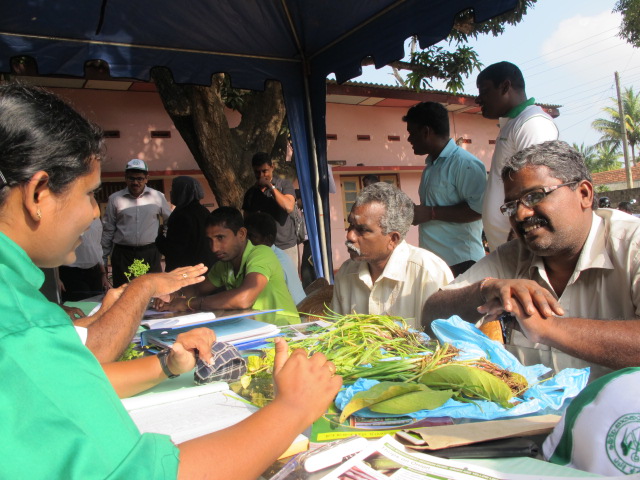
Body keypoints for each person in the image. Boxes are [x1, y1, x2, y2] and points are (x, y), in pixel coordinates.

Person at [0, 82, 341, 480]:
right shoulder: (19, 327)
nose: (95, 212)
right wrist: (292, 409)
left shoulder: (18, 305)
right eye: (90, 194)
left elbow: (73, 377)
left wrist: (165, 362)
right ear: (39, 194)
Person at [423, 141, 640, 371]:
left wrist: (549, 328)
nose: (521, 214)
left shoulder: (631, 245)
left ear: (584, 194)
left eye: (535, 196)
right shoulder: (512, 256)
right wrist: (484, 289)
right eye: (511, 206)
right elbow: (431, 317)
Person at [332, 183, 453, 329]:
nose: (350, 236)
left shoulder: (429, 273)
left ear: (393, 239)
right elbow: (335, 332)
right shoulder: (346, 273)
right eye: (351, 225)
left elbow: (445, 338)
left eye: (362, 230)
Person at [156, 207, 301, 326]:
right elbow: (197, 290)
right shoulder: (223, 265)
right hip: (254, 329)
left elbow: (244, 298)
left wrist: (190, 303)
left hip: (285, 331)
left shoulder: (262, 253)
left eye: (220, 238)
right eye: (210, 240)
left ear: (242, 234)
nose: (214, 248)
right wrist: (172, 295)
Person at [476, 61, 559, 252]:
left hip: (521, 250)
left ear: (505, 86)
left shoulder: (532, 123)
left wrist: (520, 247)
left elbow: (536, 189)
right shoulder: (513, 124)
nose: (479, 100)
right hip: (508, 251)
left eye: (484, 91)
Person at [404, 101, 487, 277]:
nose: (409, 139)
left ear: (426, 132)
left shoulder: (465, 163)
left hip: (462, 263)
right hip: (436, 264)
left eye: (411, 133)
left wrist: (431, 213)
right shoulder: (431, 166)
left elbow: (479, 210)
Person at [101, 158, 171, 287]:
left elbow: (170, 222)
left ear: (146, 179)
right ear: (125, 178)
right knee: (124, 291)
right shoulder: (115, 199)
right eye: (131, 178)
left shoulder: (157, 197)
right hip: (123, 255)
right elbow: (108, 230)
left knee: (152, 291)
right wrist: (103, 259)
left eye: (139, 178)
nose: (135, 182)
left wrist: (163, 241)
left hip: (150, 253)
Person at [242, 152, 298, 270]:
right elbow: (246, 221)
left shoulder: (284, 185)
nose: (261, 175)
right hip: (261, 248)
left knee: (288, 280)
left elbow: (289, 207)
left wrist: (270, 187)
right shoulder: (251, 193)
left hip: (285, 246)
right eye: (257, 172)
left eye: (265, 171)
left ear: (272, 167)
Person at [156, 175, 216, 271]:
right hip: (204, 267)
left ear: (182, 191)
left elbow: (174, 249)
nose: (171, 193)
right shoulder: (203, 211)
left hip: (185, 271)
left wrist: (160, 238)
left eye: (174, 189)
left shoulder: (181, 215)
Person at [245, 212, 306, 304]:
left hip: (295, 309)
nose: (247, 241)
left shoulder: (271, 260)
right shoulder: (276, 253)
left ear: (268, 239)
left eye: (252, 236)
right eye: (246, 236)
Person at [59, 217, 110, 301]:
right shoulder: (66, 216)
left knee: (96, 305)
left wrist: (103, 274)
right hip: (72, 272)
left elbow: (97, 247)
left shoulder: (96, 219)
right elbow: (57, 248)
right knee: (80, 305)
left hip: (94, 271)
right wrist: (57, 278)